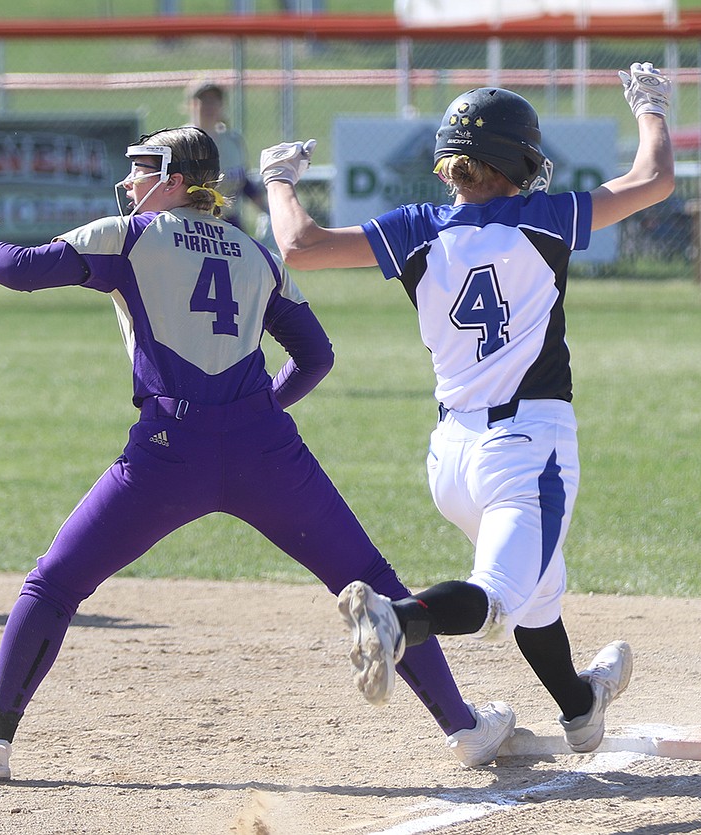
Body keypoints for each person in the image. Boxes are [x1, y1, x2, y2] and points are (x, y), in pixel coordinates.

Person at [0, 125, 516, 782]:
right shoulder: (255, 253)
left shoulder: (130, 235)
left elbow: (19, 271)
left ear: (174, 179)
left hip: (168, 452)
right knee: (370, 578)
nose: (131, 182)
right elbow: (317, 356)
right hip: (264, 449)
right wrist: (261, 414)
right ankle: (464, 727)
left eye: (143, 169)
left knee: (54, 583)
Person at [260, 62, 675, 754]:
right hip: (529, 444)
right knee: (498, 599)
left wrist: (278, 178)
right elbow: (653, 178)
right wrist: (651, 106)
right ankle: (397, 619)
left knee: (539, 592)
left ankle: (582, 705)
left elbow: (299, 244)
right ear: (517, 160)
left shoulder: (417, 228)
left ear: (451, 163)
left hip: (450, 459)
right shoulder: (544, 218)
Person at [185, 79, 267, 233]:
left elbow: (243, 182)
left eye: (214, 100)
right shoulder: (183, 140)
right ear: (191, 104)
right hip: (194, 225)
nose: (209, 105)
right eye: (203, 100)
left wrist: (268, 212)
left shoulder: (233, 140)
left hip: (231, 221)